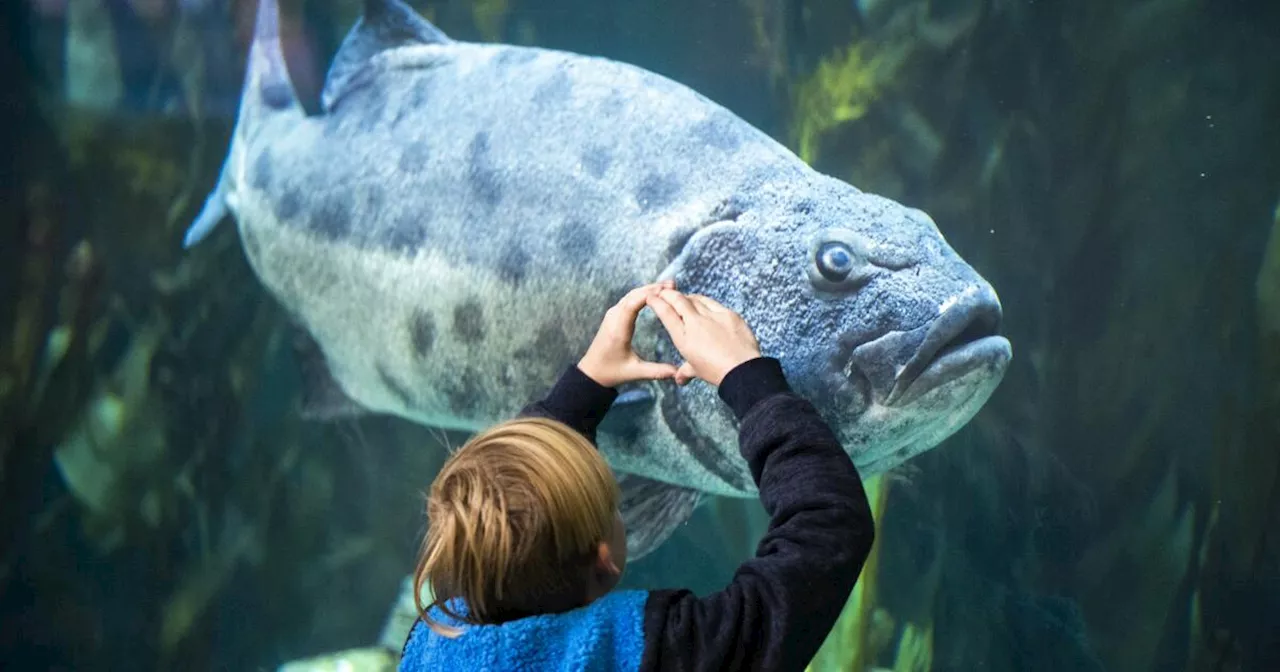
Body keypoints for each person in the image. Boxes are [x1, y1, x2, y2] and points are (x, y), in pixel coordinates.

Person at [399, 281, 875, 672]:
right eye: (612, 504)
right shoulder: (660, 654)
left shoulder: (436, 645)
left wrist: (586, 383)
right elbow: (826, 528)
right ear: (604, 559)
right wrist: (748, 378)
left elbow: (505, 499)